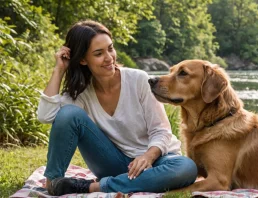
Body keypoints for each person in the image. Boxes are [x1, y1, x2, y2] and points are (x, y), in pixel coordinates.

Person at [37, 20, 197, 196]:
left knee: (186, 167)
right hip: (112, 163)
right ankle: (54, 182)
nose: (109, 58)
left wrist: (147, 157)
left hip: (156, 161)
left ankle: (91, 187)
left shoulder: (139, 80)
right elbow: (46, 116)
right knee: (68, 114)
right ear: (83, 59)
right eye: (98, 53)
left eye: (110, 48)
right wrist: (59, 70)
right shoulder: (81, 93)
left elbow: (161, 131)